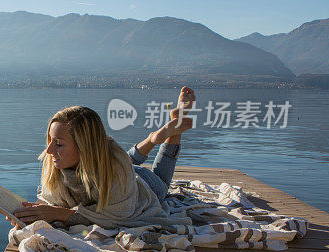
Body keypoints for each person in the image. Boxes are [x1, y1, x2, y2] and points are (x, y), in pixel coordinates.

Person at [13, 87, 195, 229]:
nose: (49, 150)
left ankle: (176, 127)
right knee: (121, 160)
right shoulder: (57, 160)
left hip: (140, 183)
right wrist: (26, 214)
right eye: (50, 141)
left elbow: (117, 217)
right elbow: (49, 204)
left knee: (161, 185)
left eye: (59, 144)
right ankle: (152, 138)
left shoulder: (116, 168)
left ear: (84, 146)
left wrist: (60, 214)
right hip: (115, 168)